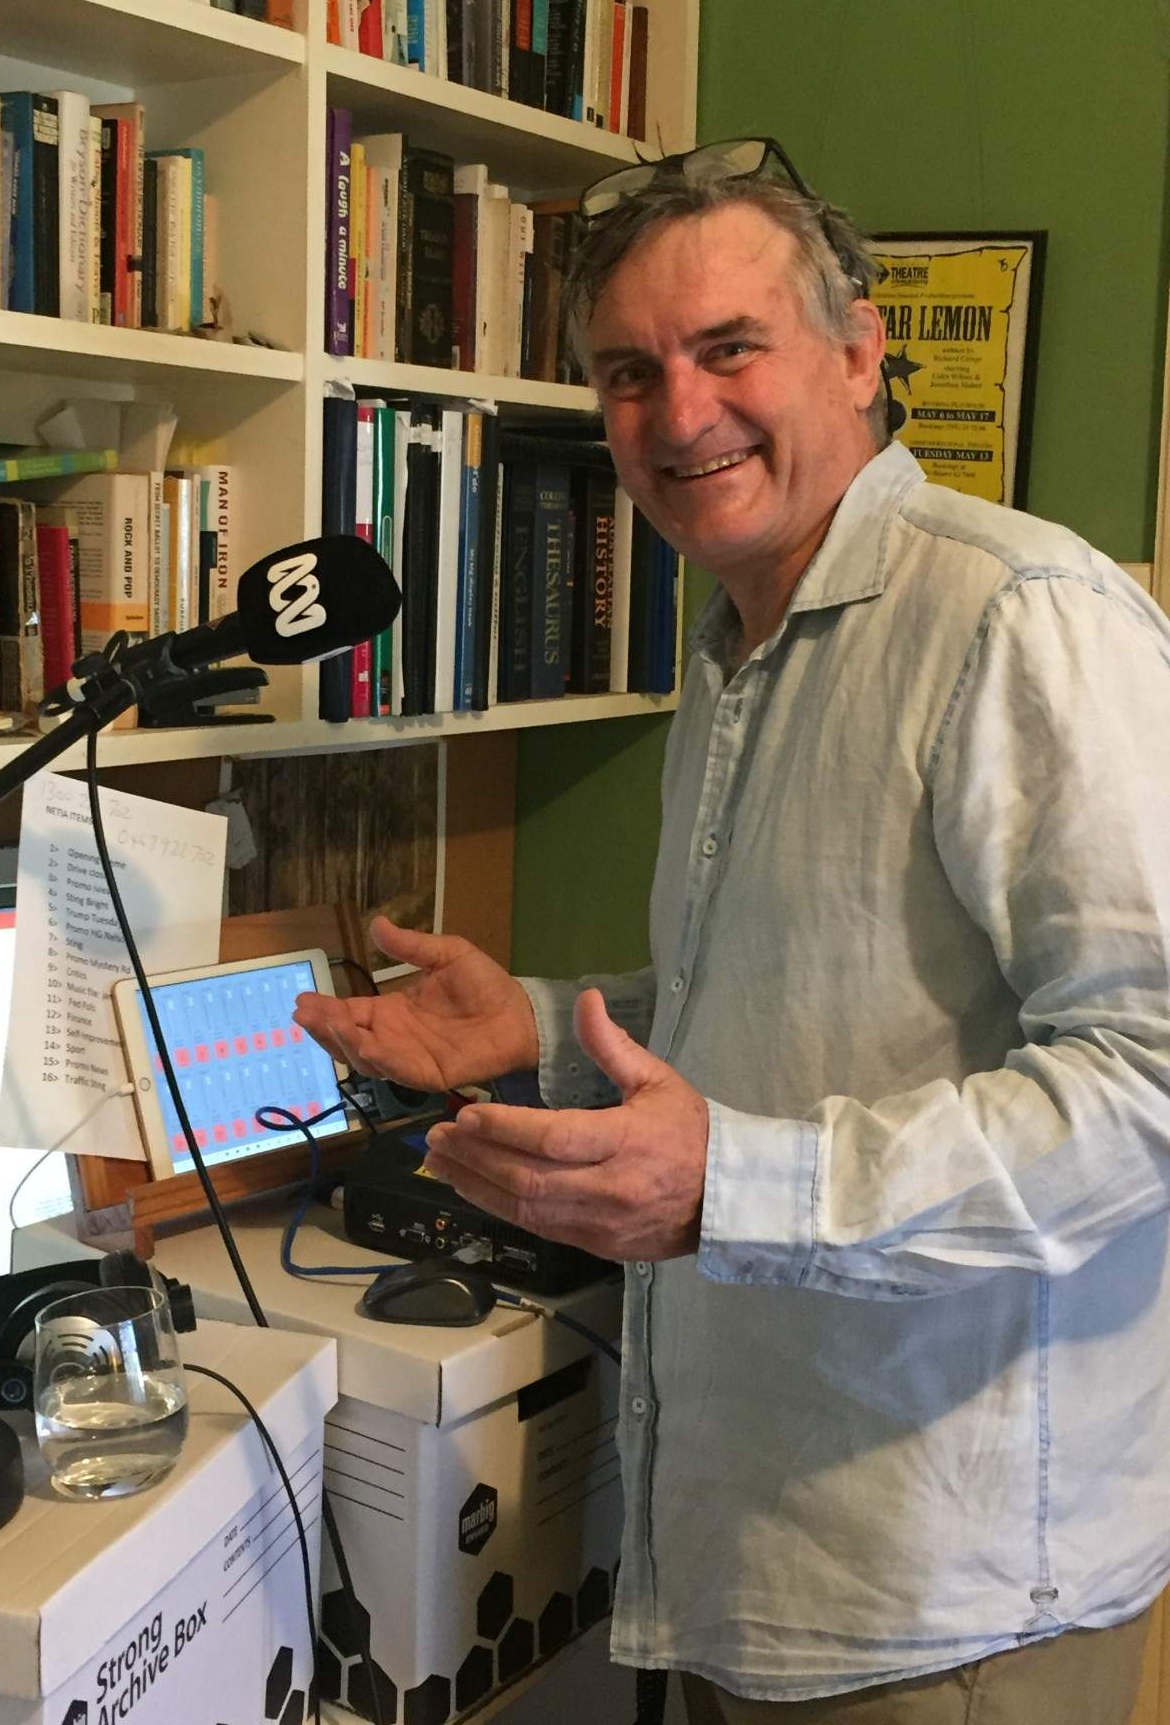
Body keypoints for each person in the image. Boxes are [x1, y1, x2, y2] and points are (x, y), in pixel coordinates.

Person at [293, 139, 1170, 1724]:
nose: (678, 414)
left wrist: (735, 1186)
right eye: (629, 373)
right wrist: (546, 1030)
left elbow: (1148, 1082)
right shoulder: (735, 641)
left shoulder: (1020, 615)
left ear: (856, 350)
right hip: (739, 1559)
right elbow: (792, 1004)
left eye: (727, 350)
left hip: (945, 1601)